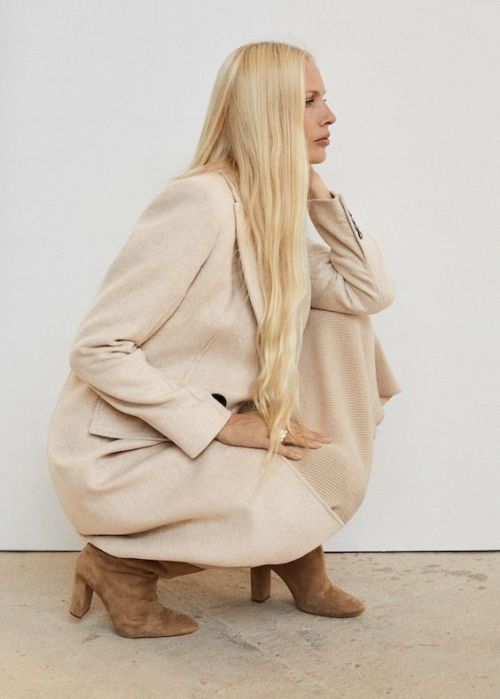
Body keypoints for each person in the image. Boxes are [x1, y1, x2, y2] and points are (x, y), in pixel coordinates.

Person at [46, 41, 401, 639]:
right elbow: (97, 349)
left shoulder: (268, 209)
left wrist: (316, 192)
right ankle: (121, 566)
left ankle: (294, 548)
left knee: (344, 323)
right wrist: (223, 427)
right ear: (266, 113)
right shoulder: (200, 203)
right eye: (309, 101)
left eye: (324, 99)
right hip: (130, 450)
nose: (330, 115)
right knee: (317, 483)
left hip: (197, 431)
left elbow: (367, 291)